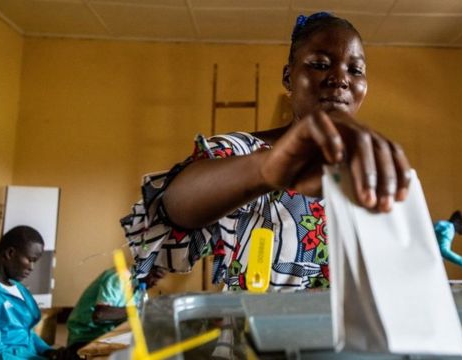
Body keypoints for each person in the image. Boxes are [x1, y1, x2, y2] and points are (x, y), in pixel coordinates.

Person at [121, 12, 411, 291]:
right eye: (320, 64)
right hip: (254, 338)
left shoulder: (373, 167)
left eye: (355, 69)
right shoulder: (246, 152)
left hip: (350, 340)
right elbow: (174, 206)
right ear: (288, 78)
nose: (340, 78)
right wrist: (264, 169)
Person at [0, 226, 65, 359]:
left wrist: (47, 351)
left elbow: (25, 331)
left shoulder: (18, 288)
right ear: (10, 253)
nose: (32, 268)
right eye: (30, 260)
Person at [66, 265, 166, 352]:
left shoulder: (139, 290)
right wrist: (138, 310)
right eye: (156, 277)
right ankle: (60, 355)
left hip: (106, 336)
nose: (156, 283)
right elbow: (100, 314)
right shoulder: (119, 276)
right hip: (85, 338)